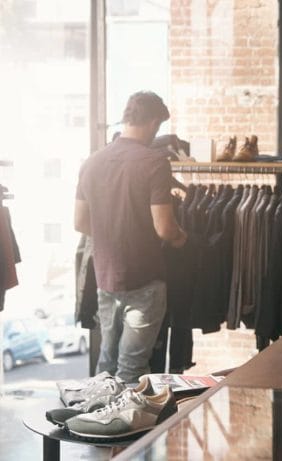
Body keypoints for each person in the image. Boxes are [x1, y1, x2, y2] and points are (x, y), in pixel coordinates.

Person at [74, 91, 188, 383]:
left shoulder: (91, 162)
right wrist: (181, 239)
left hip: (106, 277)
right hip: (144, 279)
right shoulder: (154, 162)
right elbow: (164, 227)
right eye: (157, 126)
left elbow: (80, 222)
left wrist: (114, 229)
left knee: (107, 364)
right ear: (152, 122)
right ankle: (125, 427)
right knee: (132, 368)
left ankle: (95, 421)